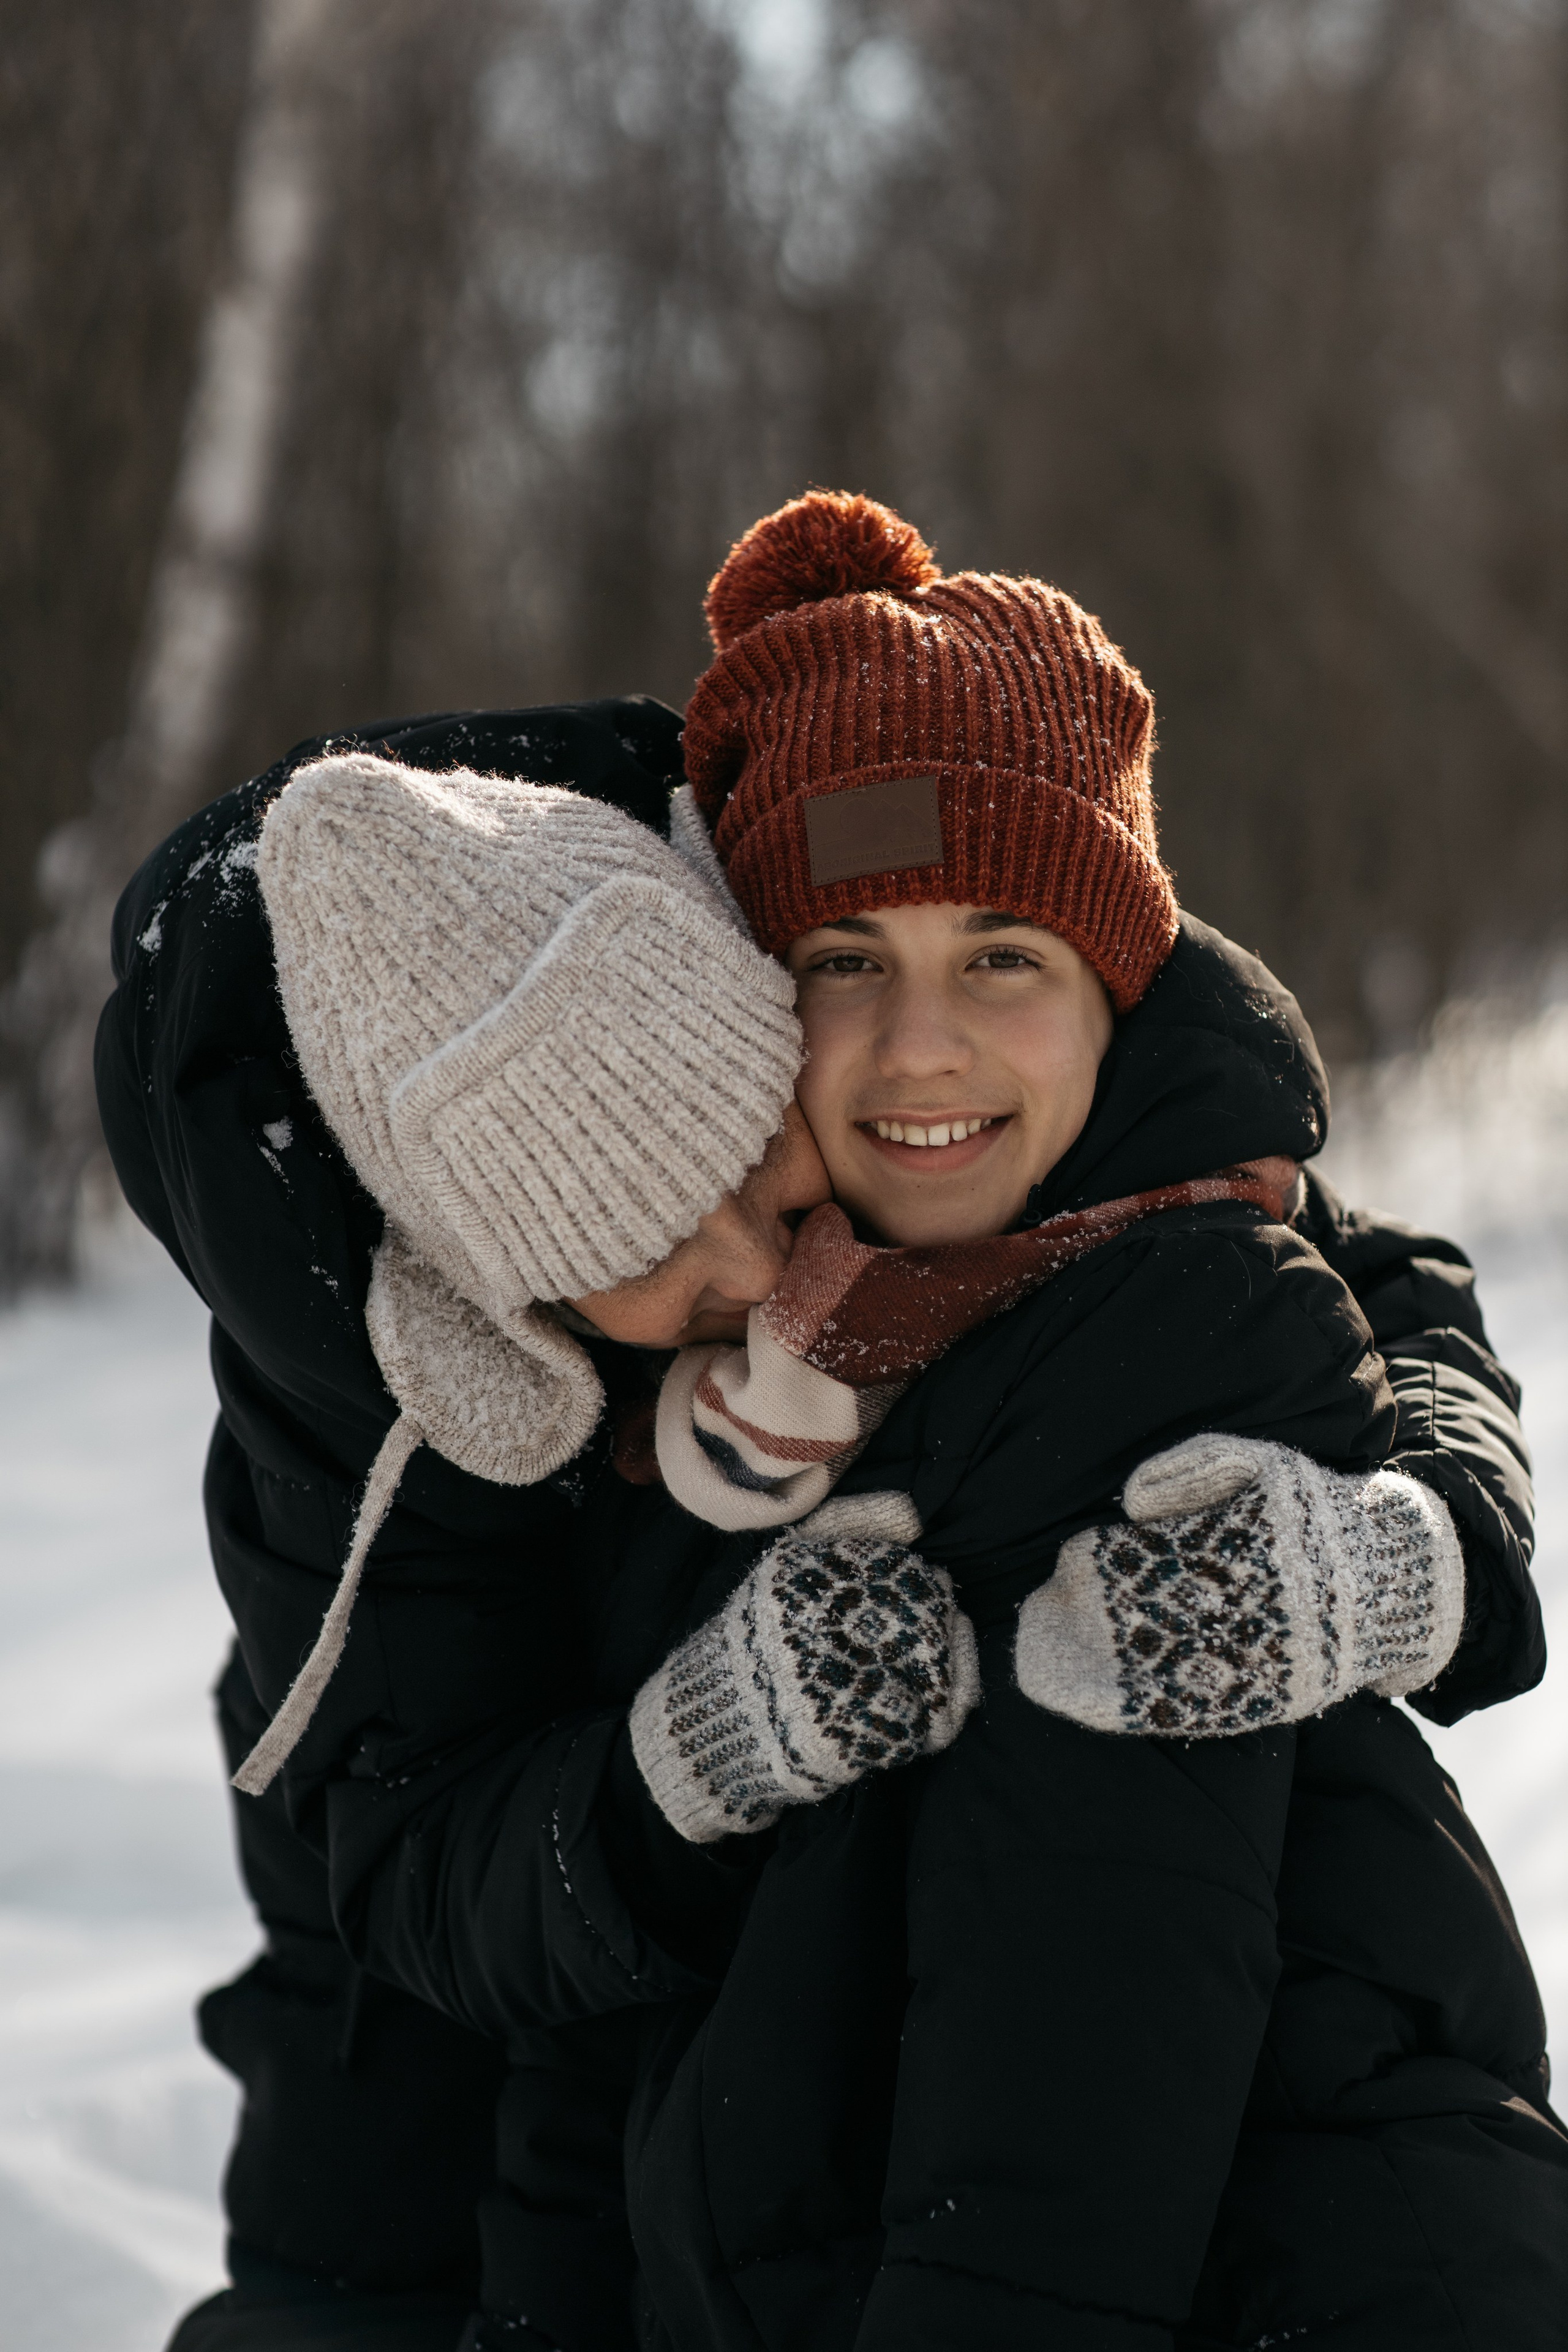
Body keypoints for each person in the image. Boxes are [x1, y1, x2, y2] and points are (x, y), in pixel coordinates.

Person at [94, 587, 1545, 2346]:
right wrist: (682, 1763)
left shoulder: (982, 1120)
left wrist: (1431, 1546)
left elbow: (1337, 1258)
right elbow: (389, 1906)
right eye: (639, 1240)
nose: (752, 1265)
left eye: (751, 1163)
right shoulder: (374, 1405)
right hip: (559, 2074)